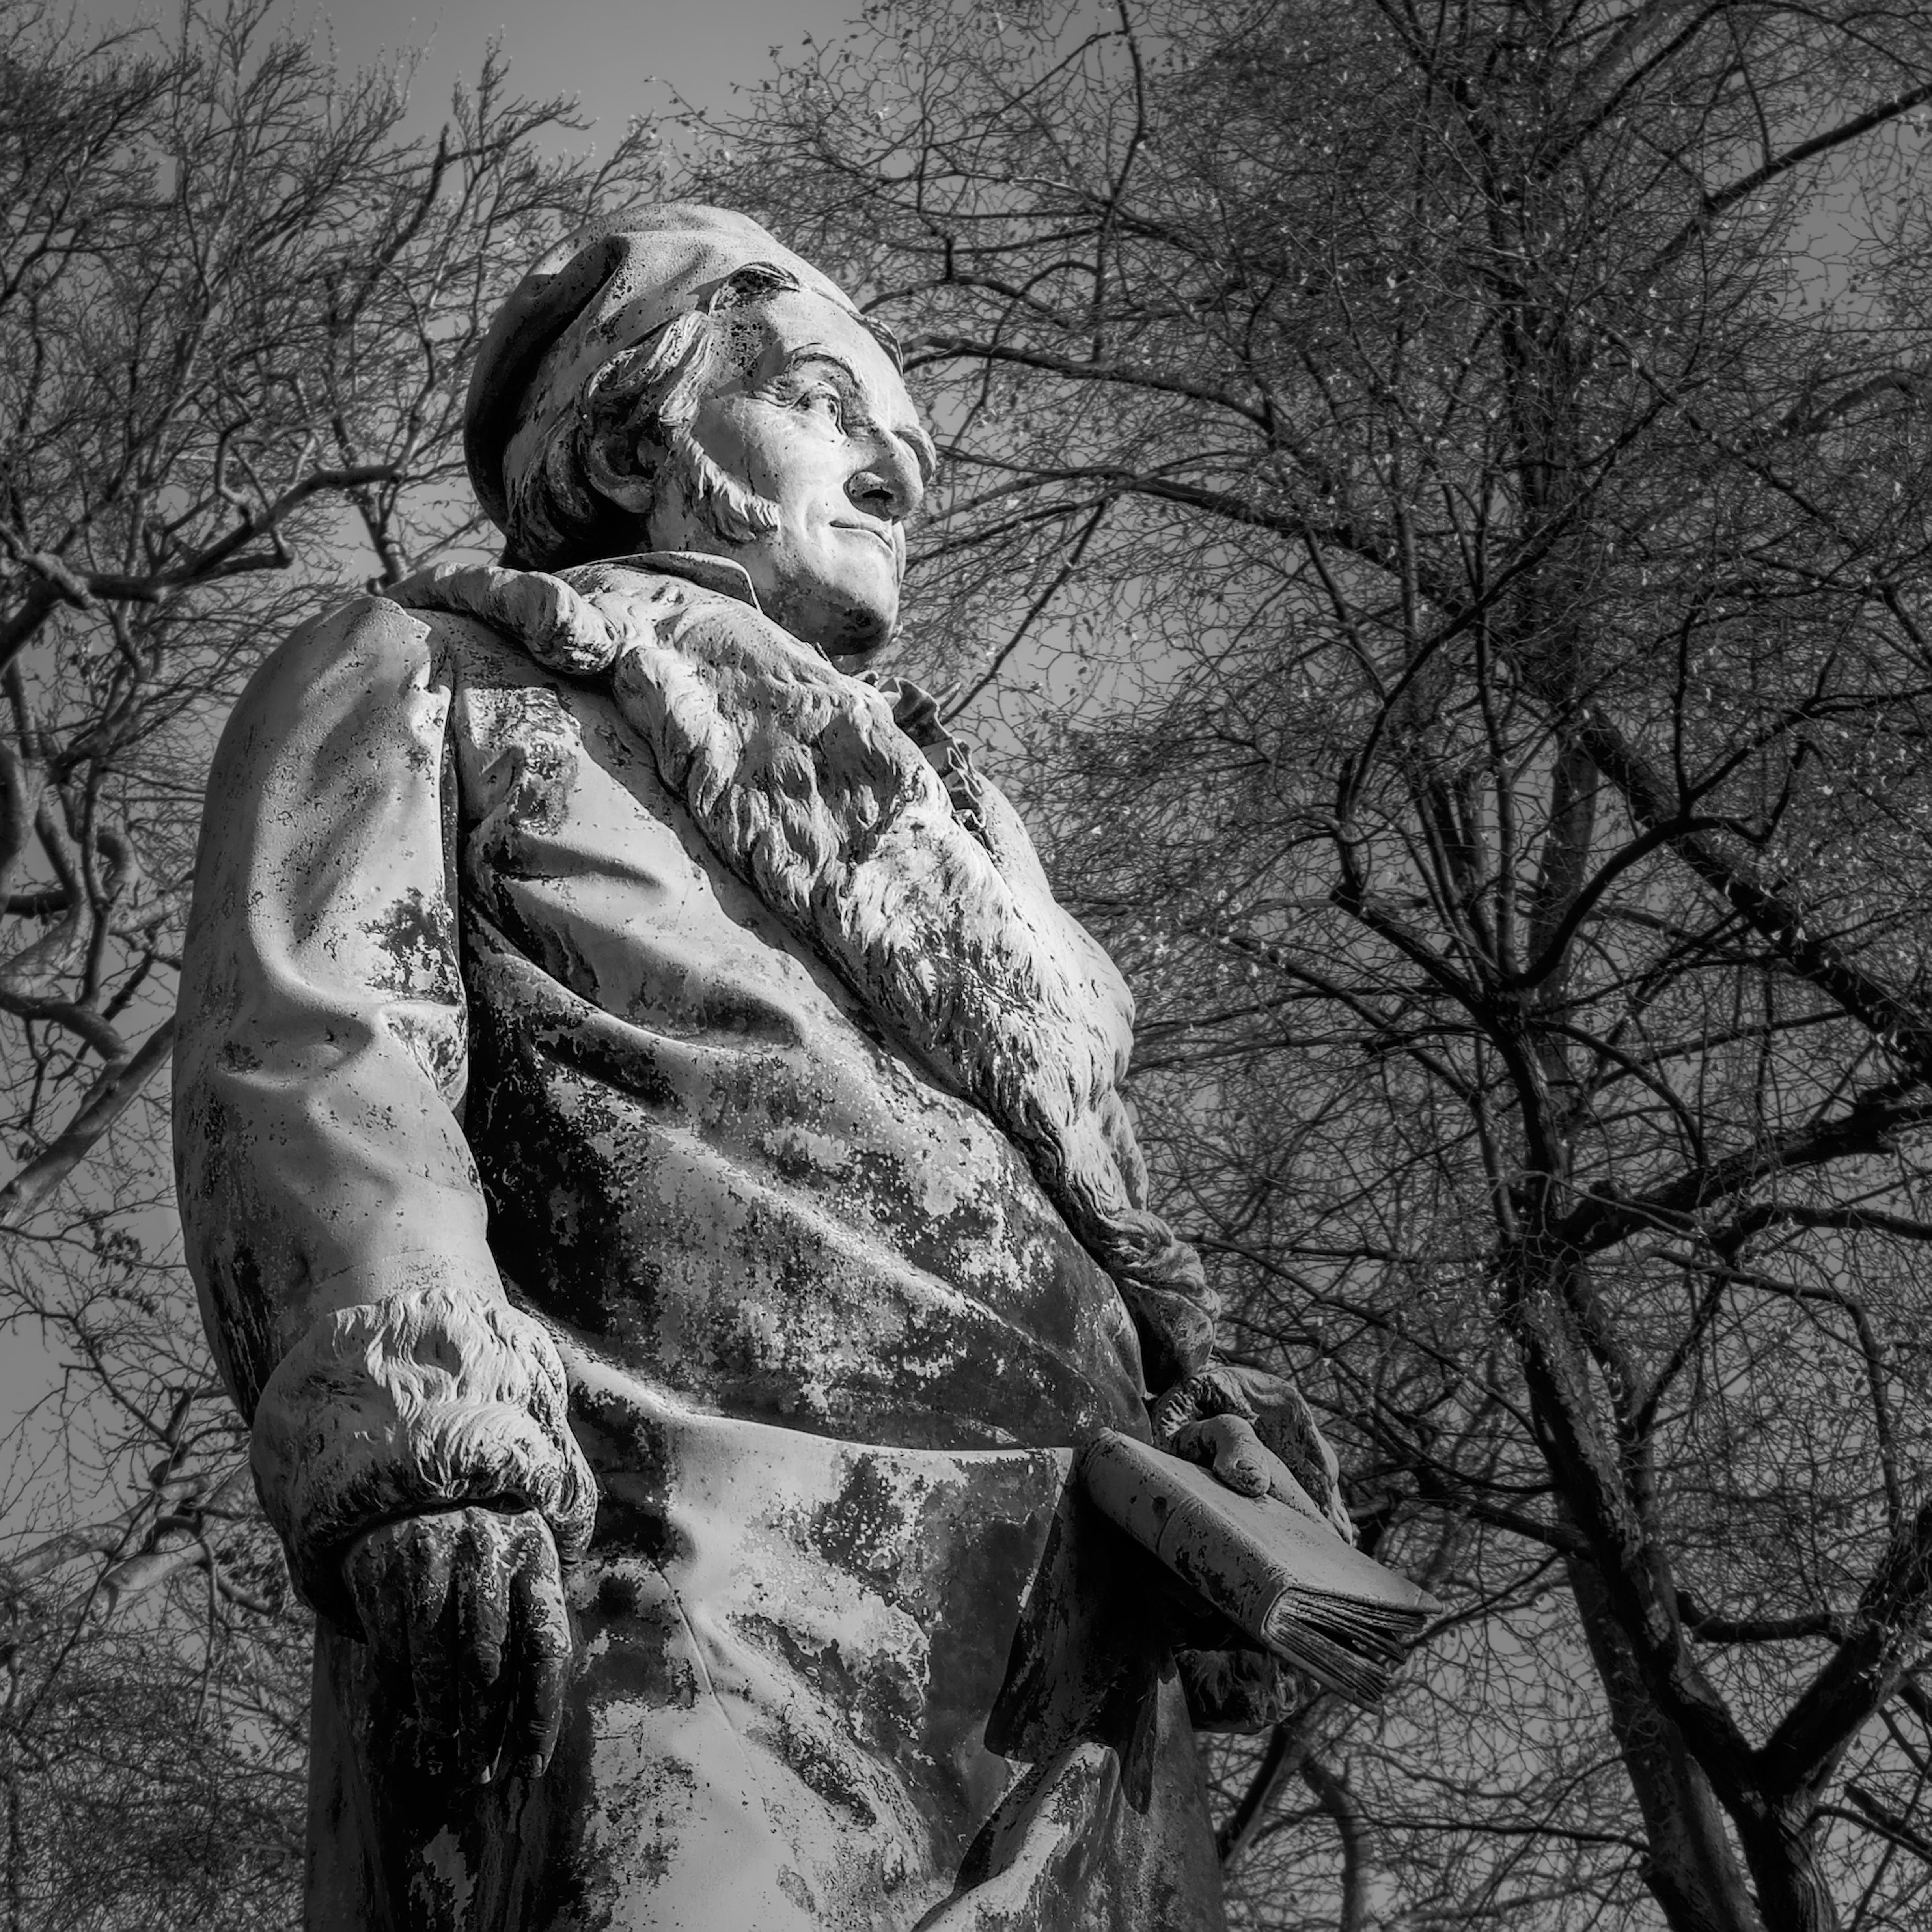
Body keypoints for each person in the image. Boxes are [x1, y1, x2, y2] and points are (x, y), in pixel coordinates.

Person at [173, 206, 1348, 1932]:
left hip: (1060, 1669)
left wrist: (1212, 1442)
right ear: (641, 430)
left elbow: (1093, 1230)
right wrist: (420, 1439)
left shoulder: (975, 860)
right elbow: (319, 1049)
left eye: (911, 449)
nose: (891, 465)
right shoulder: (438, 673)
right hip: (681, 1566)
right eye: (823, 400)